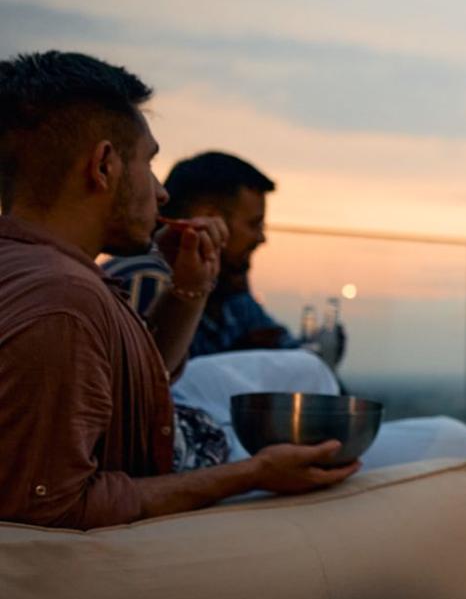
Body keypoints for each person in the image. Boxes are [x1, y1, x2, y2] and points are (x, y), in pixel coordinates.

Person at [0, 51, 357, 527]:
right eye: (148, 163)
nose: (162, 192)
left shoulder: (45, 273)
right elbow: (52, 503)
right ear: (104, 166)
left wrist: (189, 289)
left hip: (178, 431)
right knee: (447, 441)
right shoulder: (65, 306)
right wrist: (253, 473)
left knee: (306, 372)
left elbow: (136, 388)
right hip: (188, 460)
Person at [103, 150, 343, 364]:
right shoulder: (142, 280)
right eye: (254, 224)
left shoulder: (230, 291)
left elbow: (291, 353)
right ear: (209, 218)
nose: (261, 238)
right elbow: (144, 387)